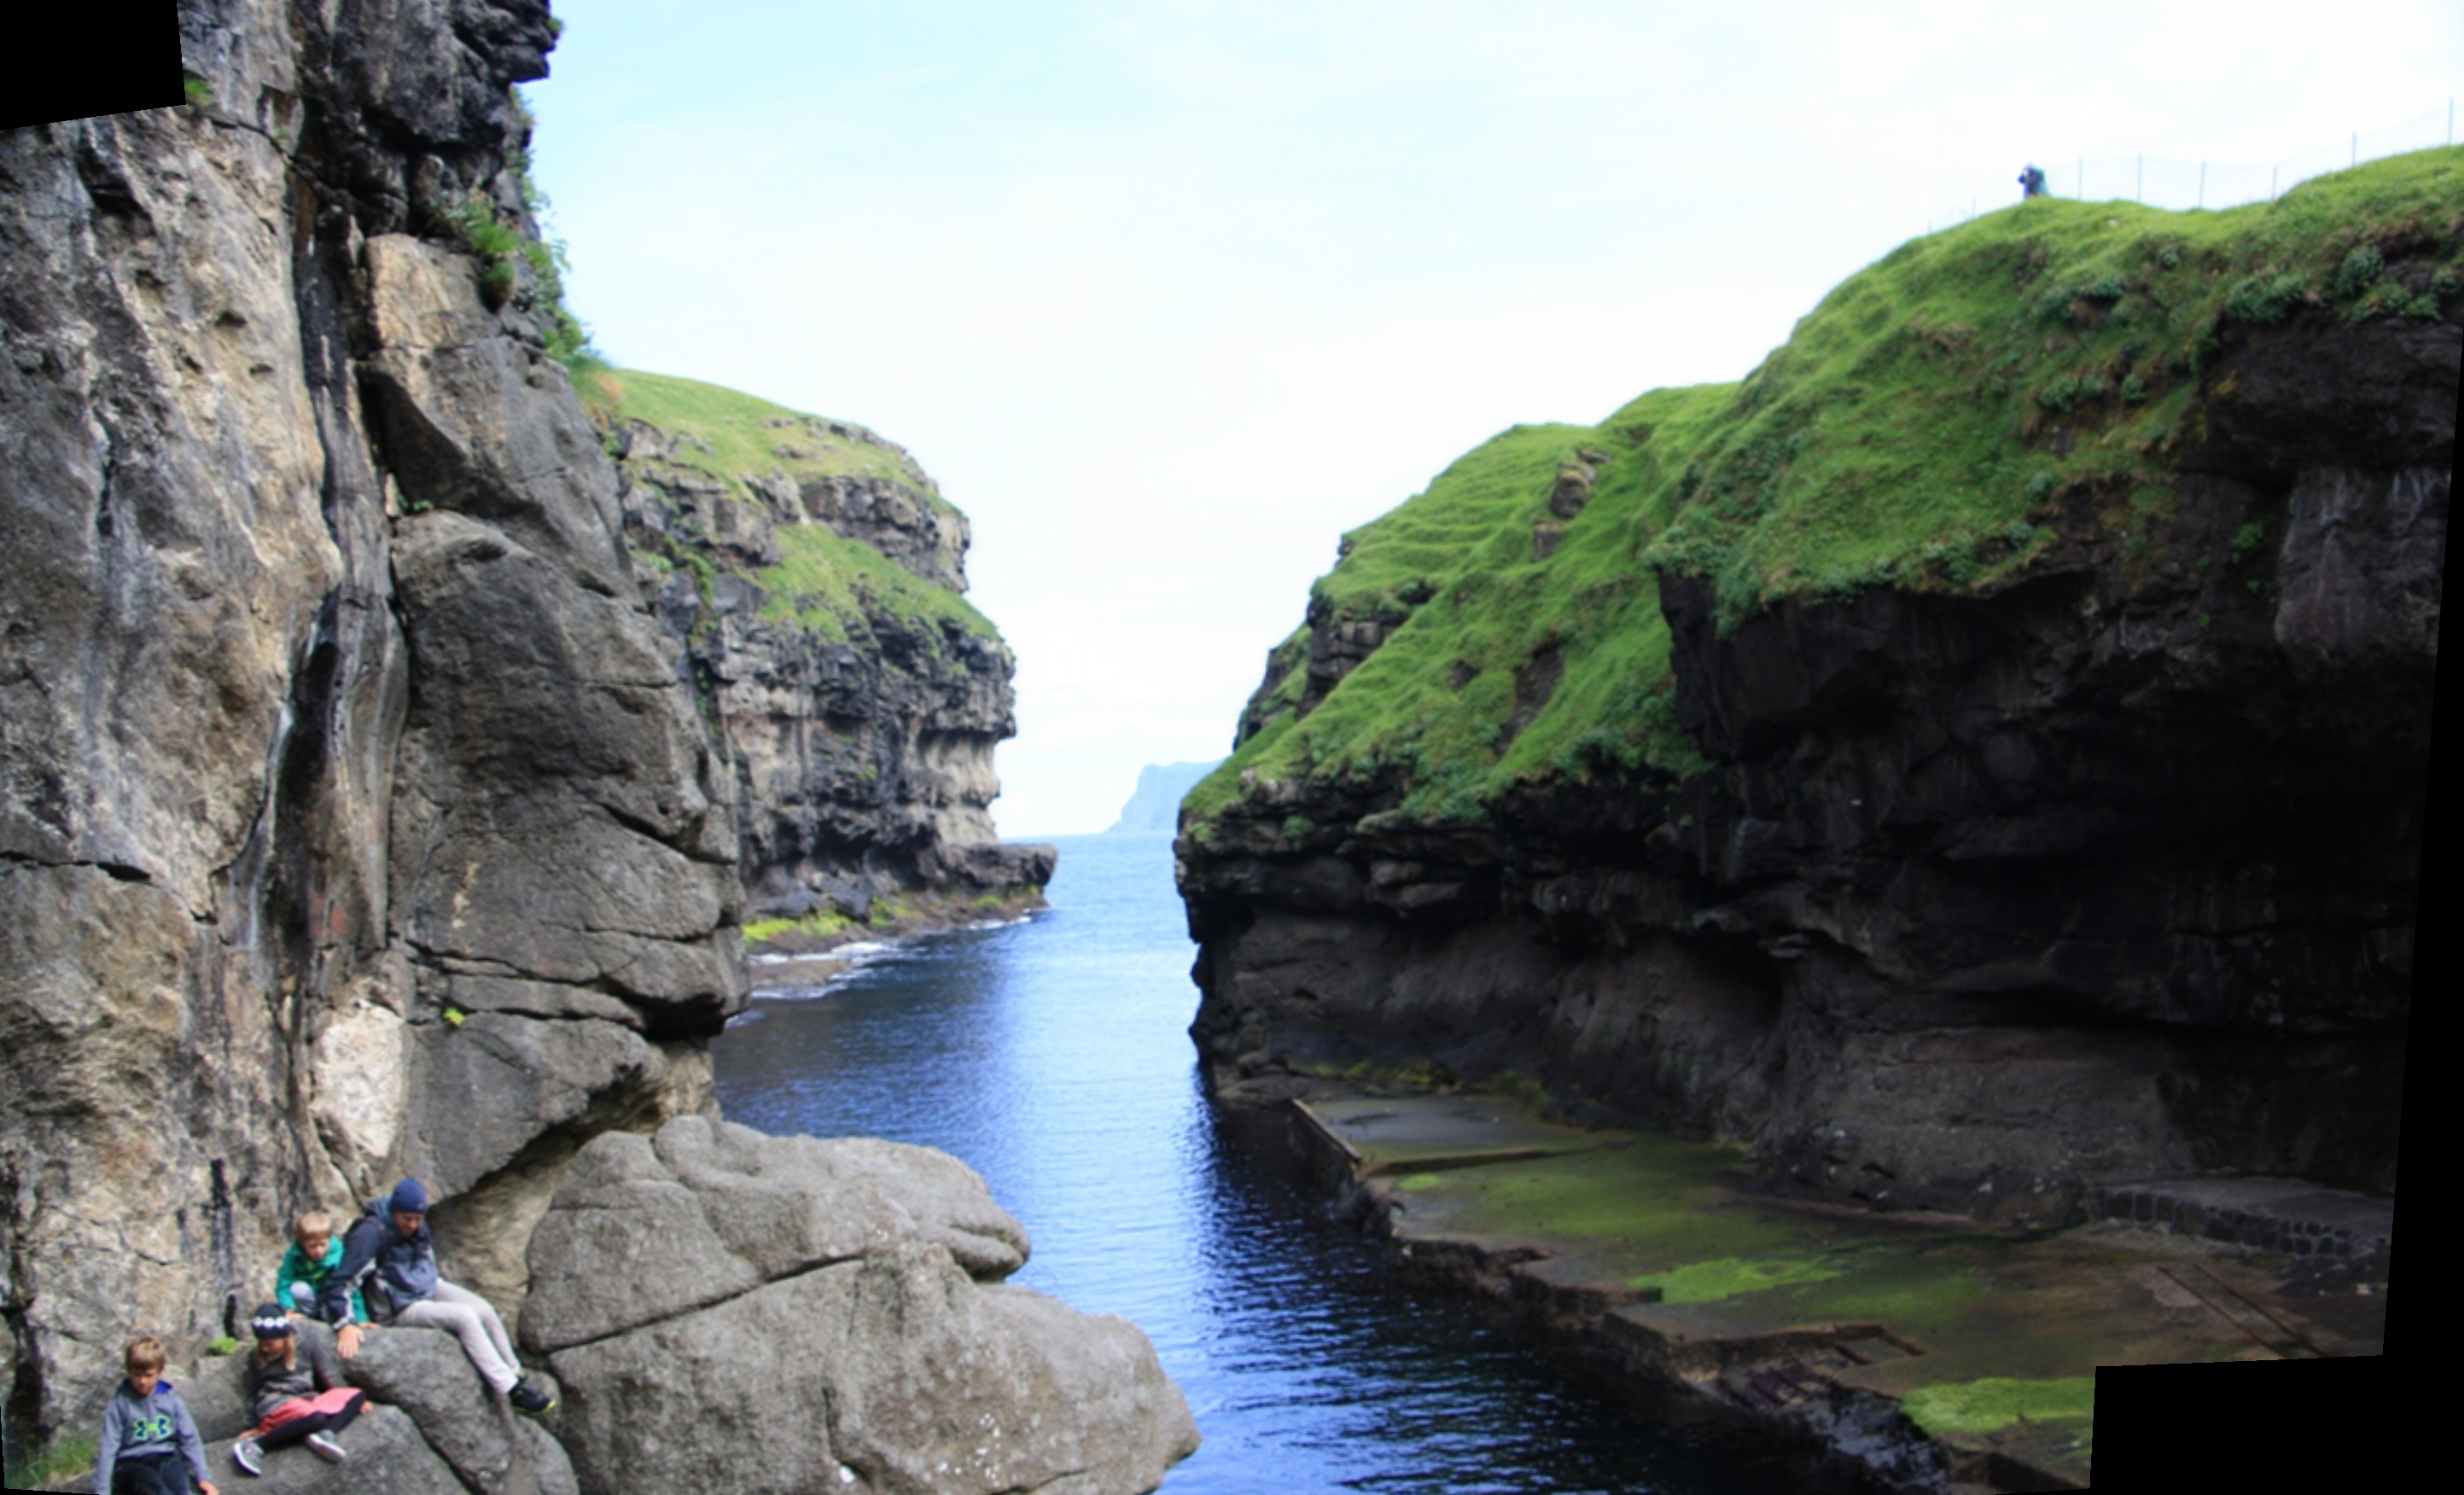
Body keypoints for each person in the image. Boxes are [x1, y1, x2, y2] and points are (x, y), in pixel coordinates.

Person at [323, 1178, 556, 1416]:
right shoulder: (371, 1232)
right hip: (398, 1307)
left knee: (485, 1310)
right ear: (394, 1212)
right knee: (464, 1317)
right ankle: (512, 1390)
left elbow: (427, 1263)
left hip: (427, 1287)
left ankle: (516, 1373)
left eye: (417, 1219)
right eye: (407, 1219)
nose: (413, 1224)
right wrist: (346, 1323)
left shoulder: (417, 1224)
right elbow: (340, 1282)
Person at [230, 1306, 366, 1476]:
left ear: (284, 1337)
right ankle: (256, 1445)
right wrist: (253, 1425)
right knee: (315, 1419)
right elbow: (252, 1392)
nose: (264, 1348)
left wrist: (345, 1398)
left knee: (356, 1395)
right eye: (262, 1344)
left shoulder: (306, 1342)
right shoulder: (256, 1357)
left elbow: (328, 1372)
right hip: (276, 1403)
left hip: (305, 1400)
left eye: (269, 1344)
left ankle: (326, 1434)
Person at [93, 1336, 219, 1495]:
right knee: (157, 1490)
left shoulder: (171, 1399)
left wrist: (204, 1477)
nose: (142, 1381)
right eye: (136, 1374)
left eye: (148, 1375)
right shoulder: (120, 1404)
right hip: (132, 1463)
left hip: (166, 1457)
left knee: (184, 1490)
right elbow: (108, 1447)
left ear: (160, 1372)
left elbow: (189, 1438)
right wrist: (102, 1490)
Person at [275, 1210, 365, 1354]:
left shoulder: (339, 1254)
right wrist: (287, 1309)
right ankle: (309, 1319)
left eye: (323, 1245)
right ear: (302, 1243)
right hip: (310, 1299)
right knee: (297, 1289)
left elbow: (351, 1288)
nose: (318, 1251)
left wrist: (361, 1318)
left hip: (330, 1299)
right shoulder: (294, 1255)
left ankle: (329, 1317)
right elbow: (284, 1282)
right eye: (312, 1246)